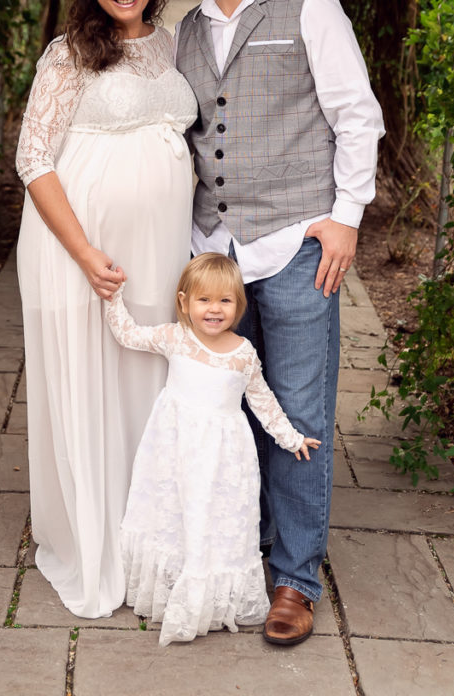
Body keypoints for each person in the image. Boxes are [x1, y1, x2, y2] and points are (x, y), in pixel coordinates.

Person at [175, 0, 385, 646]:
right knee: (229, 410)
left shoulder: (309, 6)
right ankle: (237, 554)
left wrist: (346, 217)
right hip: (218, 255)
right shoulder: (190, 28)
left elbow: (356, 113)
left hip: (298, 242)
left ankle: (295, 578)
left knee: (296, 413)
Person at [15, 0, 197, 618]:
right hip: (80, 249)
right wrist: (87, 254)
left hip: (158, 251)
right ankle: (92, 541)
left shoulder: (171, 43)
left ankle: (146, 534)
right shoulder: (69, 55)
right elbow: (34, 157)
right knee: (89, 378)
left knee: (147, 380)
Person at [104, 252, 321, 647]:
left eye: (225, 300)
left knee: (215, 516)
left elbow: (263, 400)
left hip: (224, 458)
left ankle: (210, 593)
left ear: (238, 306)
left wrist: (291, 437)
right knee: (174, 511)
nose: (214, 309)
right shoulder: (175, 338)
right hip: (173, 449)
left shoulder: (242, 353)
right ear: (185, 302)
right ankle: (173, 583)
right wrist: (112, 297)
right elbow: (128, 334)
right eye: (204, 300)